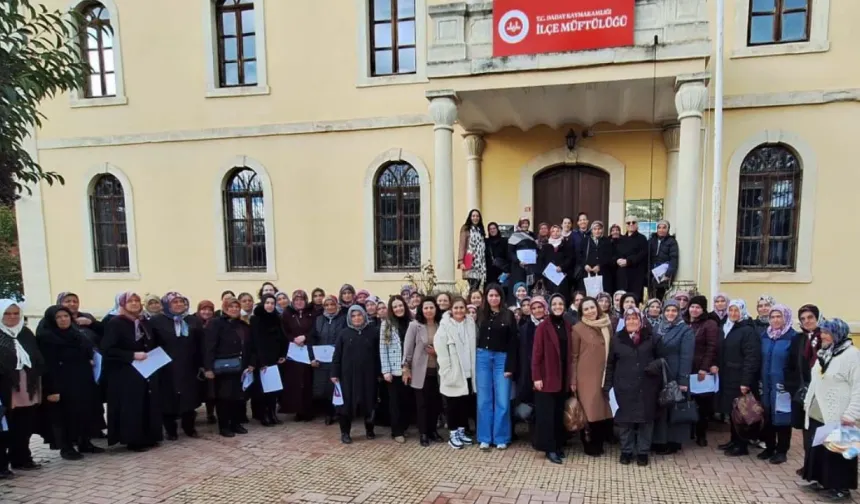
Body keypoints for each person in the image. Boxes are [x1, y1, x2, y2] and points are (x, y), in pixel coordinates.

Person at [801, 319, 859, 501]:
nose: (823, 335)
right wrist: (807, 402)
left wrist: (852, 413)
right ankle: (822, 480)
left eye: (827, 332)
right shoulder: (825, 353)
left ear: (838, 333)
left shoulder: (852, 355)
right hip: (819, 409)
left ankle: (842, 488)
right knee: (820, 448)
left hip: (840, 411)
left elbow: (858, 386)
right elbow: (817, 379)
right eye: (822, 332)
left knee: (840, 451)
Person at [37, 306, 103, 461]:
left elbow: (87, 350)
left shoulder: (76, 333)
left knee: (84, 411)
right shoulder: (46, 338)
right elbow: (47, 365)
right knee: (65, 416)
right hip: (61, 382)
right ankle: (66, 447)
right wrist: (51, 389)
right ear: (52, 320)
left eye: (66, 316)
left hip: (82, 379)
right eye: (58, 317)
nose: (63, 319)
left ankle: (85, 442)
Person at [101, 292, 163, 451]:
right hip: (125, 371)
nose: (135, 303)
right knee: (132, 405)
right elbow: (108, 349)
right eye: (130, 301)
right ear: (122, 304)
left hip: (145, 369)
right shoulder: (116, 323)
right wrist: (131, 355)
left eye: (137, 300)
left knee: (146, 402)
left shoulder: (142, 322)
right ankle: (133, 440)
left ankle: (149, 436)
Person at [604, 307, 662, 466]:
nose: (632, 321)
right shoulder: (617, 338)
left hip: (647, 385)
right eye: (629, 319)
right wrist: (608, 386)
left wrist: (654, 366)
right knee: (625, 421)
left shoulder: (652, 337)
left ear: (641, 320)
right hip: (623, 386)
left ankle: (643, 452)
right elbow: (610, 364)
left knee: (646, 420)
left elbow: (662, 359)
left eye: (635, 318)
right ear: (624, 321)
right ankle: (626, 451)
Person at [149, 292, 202, 440]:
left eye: (181, 302)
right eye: (175, 302)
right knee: (168, 398)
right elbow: (152, 344)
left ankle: (189, 427)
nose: (179, 305)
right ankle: (171, 430)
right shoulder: (157, 321)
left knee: (189, 398)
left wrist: (201, 364)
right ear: (167, 304)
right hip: (166, 366)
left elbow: (200, 343)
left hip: (188, 365)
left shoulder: (192, 320)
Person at [0, 300, 44, 475]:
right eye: (7, 313)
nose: (12, 317)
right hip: (5, 389)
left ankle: (22, 458)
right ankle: (2, 465)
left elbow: (37, 357)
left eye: (16, 313)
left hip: (27, 387)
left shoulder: (25, 333)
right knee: (4, 428)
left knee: (24, 425)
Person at [203, 296, 253, 438]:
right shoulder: (216, 323)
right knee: (224, 398)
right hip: (223, 368)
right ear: (225, 308)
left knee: (238, 397)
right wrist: (208, 368)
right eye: (231, 306)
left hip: (241, 367)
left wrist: (251, 363)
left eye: (236, 306)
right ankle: (224, 426)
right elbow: (209, 347)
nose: (234, 309)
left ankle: (236, 423)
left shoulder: (243, 325)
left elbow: (250, 346)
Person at [475, 284, 518, 450]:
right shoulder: (479, 314)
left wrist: (510, 366)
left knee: (502, 400)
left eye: (497, 295)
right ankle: (485, 437)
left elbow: (513, 341)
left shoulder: (508, 315)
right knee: (484, 399)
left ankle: (501, 437)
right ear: (486, 297)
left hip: (502, 358)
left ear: (501, 297)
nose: (494, 298)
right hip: (483, 356)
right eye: (491, 295)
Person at [718, 300, 762, 457]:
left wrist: (746, 381)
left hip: (740, 377)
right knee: (732, 411)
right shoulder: (729, 327)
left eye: (736, 311)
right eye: (731, 310)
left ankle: (741, 445)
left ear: (742, 311)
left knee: (742, 412)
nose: (733, 314)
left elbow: (751, 357)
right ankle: (734, 440)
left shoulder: (747, 330)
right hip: (728, 376)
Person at [571, 296, 613, 457]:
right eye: (586, 309)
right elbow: (574, 356)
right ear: (582, 312)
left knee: (602, 410)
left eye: (592, 307)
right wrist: (573, 380)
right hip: (586, 376)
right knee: (589, 411)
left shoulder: (606, 325)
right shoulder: (578, 329)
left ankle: (600, 441)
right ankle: (589, 444)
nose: (590, 311)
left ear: (598, 308)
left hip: (604, 374)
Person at [531, 294, 571, 464]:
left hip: (562, 376)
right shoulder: (543, 327)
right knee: (546, 415)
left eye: (560, 303)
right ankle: (549, 448)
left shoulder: (568, 325)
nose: (557, 306)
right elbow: (536, 354)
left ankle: (558, 445)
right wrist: (536, 377)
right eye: (554, 303)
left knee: (557, 413)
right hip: (546, 376)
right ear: (550, 306)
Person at [652, 300, 695, 455]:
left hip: (675, 372)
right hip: (659, 373)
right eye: (668, 310)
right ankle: (660, 440)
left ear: (679, 312)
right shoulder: (658, 327)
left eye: (674, 311)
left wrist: (683, 380)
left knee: (674, 407)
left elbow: (686, 356)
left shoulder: (685, 330)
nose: (671, 314)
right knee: (662, 408)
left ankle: (674, 442)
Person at [331, 305, 379, 444]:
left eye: (359, 315)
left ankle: (369, 429)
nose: (357, 318)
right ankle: (345, 432)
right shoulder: (344, 333)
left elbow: (377, 354)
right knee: (346, 405)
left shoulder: (373, 332)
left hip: (368, 375)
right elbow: (337, 355)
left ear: (364, 316)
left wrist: (379, 372)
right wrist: (334, 373)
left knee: (369, 402)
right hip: (347, 376)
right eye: (353, 316)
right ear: (349, 318)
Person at [434, 296, 477, 449]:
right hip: (453, 371)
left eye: (461, 307)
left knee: (463, 404)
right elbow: (440, 349)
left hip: (468, 371)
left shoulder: (470, 323)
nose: (459, 310)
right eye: (456, 308)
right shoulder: (445, 326)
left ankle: (461, 431)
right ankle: (453, 434)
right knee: (452, 405)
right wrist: (447, 371)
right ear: (451, 310)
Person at [785, 304, 821, 476]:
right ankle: (809, 464)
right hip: (802, 390)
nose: (807, 321)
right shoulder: (799, 339)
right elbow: (792, 364)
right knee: (806, 430)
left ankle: (816, 468)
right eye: (803, 319)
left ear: (817, 318)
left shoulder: (824, 338)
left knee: (818, 431)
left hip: (820, 393)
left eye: (810, 318)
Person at [758, 304, 796, 464]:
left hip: (782, 385)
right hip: (766, 384)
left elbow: (795, 364)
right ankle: (769, 446)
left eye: (778, 316)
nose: (775, 320)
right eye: (772, 317)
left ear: (785, 317)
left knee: (783, 417)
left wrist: (790, 383)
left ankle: (782, 450)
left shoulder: (793, 337)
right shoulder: (765, 336)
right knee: (767, 415)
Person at [403, 296, 444, 447]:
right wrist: (405, 367)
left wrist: (437, 351)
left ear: (436, 309)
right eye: (425, 308)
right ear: (421, 309)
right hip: (420, 371)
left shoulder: (441, 325)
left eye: (431, 307)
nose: (428, 310)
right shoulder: (415, 325)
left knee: (435, 403)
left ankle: (433, 430)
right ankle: (423, 433)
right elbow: (408, 348)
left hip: (438, 371)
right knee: (422, 404)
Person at [250, 295, 287, 426]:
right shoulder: (255, 319)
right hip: (262, 360)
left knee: (274, 389)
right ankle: (264, 415)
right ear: (262, 304)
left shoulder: (277, 318)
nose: (270, 305)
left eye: (272, 303)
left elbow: (283, 338)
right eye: (267, 303)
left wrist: (283, 354)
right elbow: (255, 342)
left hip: (275, 359)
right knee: (263, 391)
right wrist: (260, 361)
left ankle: (272, 413)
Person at [688, 295, 720, 447]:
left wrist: (704, 368)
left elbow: (711, 347)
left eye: (698, 307)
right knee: (688, 401)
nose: (694, 310)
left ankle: (701, 434)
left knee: (702, 404)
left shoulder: (709, 324)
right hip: (686, 368)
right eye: (692, 306)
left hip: (701, 370)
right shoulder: (685, 322)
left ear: (703, 309)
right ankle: (689, 432)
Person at [281, 290, 317, 421]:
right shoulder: (287, 314)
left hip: (308, 349)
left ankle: (308, 410)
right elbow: (284, 330)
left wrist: (305, 337)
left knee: (307, 381)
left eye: (301, 299)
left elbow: (315, 329)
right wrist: (293, 339)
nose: (299, 302)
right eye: (296, 300)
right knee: (295, 382)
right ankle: (298, 410)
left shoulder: (311, 313)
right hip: (293, 351)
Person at [379, 295, 411, 443]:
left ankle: (404, 426)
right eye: (395, 307)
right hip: (394, 369)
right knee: (395, 402)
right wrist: (386, 370)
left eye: (400, 305)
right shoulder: (387, 324)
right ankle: (396, 431)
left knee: (406, 400)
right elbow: (383, 348)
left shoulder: (412, 322)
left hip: (410, 368)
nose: (399, 309)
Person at [515, 297, 546, 429]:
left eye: (540, 307)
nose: (537, 310)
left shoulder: (551, 324)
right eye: (534, 308)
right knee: (531, 406)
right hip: (530, 373)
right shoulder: (525, 328)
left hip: (549, 372)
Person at [313, 295, 344, 425]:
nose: (330, 307)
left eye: (332, 304)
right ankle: (328, 413)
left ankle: (338, 412)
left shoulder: (343, 319)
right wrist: (312, 357)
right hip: (321, 360)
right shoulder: (318, 320)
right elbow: (313, 338)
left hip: (338, 358)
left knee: (336, 386)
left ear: (337, 305)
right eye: (327, 305)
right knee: (323, 389)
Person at [614, 216, 648, 301]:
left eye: (633, 222)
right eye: (628, 223)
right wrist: (617, 260)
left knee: (634, 299)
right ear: (625, 225)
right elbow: (615, 252)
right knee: (622, 298)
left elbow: (642, 254)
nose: (631, 224)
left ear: (637, 225)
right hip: (622, 274)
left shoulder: (642, 238)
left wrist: (628, 261)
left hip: (636, 274)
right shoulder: (621, 239)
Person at [194, 300, 217, 424]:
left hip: (211, 361)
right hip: (196, 360)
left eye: (210, 310)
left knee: (210, 391)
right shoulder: (193, 323)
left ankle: (210, 413)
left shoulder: (215, 324)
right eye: (204, 309)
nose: (206, 312)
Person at [646, 220, 679, 301]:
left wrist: (668, 274)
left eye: (664, 228)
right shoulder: (651, 241)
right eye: (659, 228)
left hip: (663, 274)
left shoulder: (671, 242)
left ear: (668, 229)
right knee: (651, 297)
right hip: (651, 274)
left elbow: (674, 258)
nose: (661, 230)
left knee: (660, 296)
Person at [579, 221, 613, 295]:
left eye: (599, 229)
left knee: (602, 295)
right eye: (595, 229)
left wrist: (600, 266)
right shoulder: (586, 241)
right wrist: (585, 265)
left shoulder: (607, 241)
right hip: (588, 273)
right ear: (591, 230)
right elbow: (580, 256)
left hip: (603, 274)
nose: (597, 231)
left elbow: (609, 257)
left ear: (602, 230)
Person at [537, 225, 572, 296]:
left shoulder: (565, 245)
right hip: (549, 277)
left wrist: (562, 267)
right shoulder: (546, 246)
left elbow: (569, 259)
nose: (555, 233)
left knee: (561, 296)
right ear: (550, 233)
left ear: (560, 232)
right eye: (553, 231)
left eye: (557, 231)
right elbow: (541, 261)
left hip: (562, 276)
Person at [458, 209, 487, 291]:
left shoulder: (480, 229)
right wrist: (461, 262)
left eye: (477, 216)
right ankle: (470, 301)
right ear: (470, 217)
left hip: (480, 261)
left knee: (477, 285)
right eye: (473, 216)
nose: (475, 218)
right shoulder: (466, 228)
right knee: (472, 284)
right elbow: (462, 245)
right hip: (469, 258)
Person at [508, 221, 538, 293]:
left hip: (530, 266)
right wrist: (518, 261)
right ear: (520, 225)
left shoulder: (533, 235)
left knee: (530, 285)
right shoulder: (515, 235)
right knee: (519, 285)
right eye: (523, 223)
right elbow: (510, 252)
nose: (525, 225)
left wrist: (536, 254)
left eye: (526, 223)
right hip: (518, 266)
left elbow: (536, 249)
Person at [485, 222, 510, 287]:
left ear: (497, 229)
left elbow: (508, 256)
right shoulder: (486, 242)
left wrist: (508, 271)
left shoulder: (504, 241)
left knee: (502, 290)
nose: (492, 230)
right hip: (490, 272)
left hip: (502, 271)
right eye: (490, 229)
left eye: (494, 228)